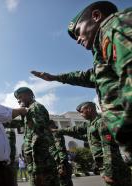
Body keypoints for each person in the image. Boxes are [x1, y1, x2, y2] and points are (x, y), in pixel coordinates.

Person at [31, 1, 132, 162]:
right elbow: (88, 76)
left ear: (96, 16)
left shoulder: (116, 25)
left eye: (78, 32)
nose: (78, 40)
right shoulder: (103, 50)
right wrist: (55, 77)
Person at [53, 102, 131, 186]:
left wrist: (109, 172)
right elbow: (78, 131)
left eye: (81, 112)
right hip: (105, 166)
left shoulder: (101, 122)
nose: (81, 114)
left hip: (114, 167)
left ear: (89, 109)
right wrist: (58, 131)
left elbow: (108, 148)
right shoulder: (91, 124)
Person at [14, 87, 59, 186]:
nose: (18, 100)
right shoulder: (28, 111)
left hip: (40, 164)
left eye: (20, 97)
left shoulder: (35, 108)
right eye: (17, 98)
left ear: (29, 95)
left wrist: (36, 167)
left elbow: (38, 136)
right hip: (38, 163)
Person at [49, 120, 73, 186]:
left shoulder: (55, 134)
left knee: (63, 182)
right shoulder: (53, 134)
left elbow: (60, 149)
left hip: (61, 164)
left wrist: (62, 165)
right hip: (59, 163)